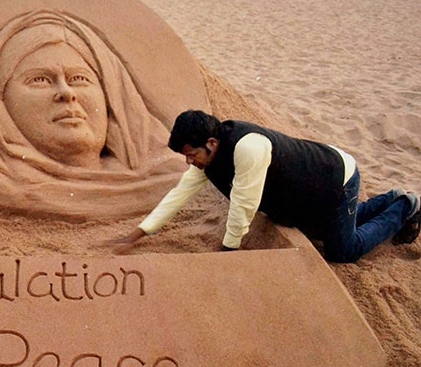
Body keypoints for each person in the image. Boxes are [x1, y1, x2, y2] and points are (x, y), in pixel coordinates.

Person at [0, 10, 184, 219]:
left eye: (79, 79)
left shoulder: (167, 175)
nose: (66, 93)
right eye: (40, 80)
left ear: (110, 96)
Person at [112, 110, 420, 262]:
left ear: (210, 142)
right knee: (328, 231)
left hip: (335, 179)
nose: (188, 162)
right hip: (309, 193)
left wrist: (227, 251)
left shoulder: (248, 148)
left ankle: (404, 206)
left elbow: (243, 205)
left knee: (342, 250)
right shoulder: (210, 158)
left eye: (190, 154)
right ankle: (390, 198)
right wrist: (138, 233)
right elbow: (178, 196)